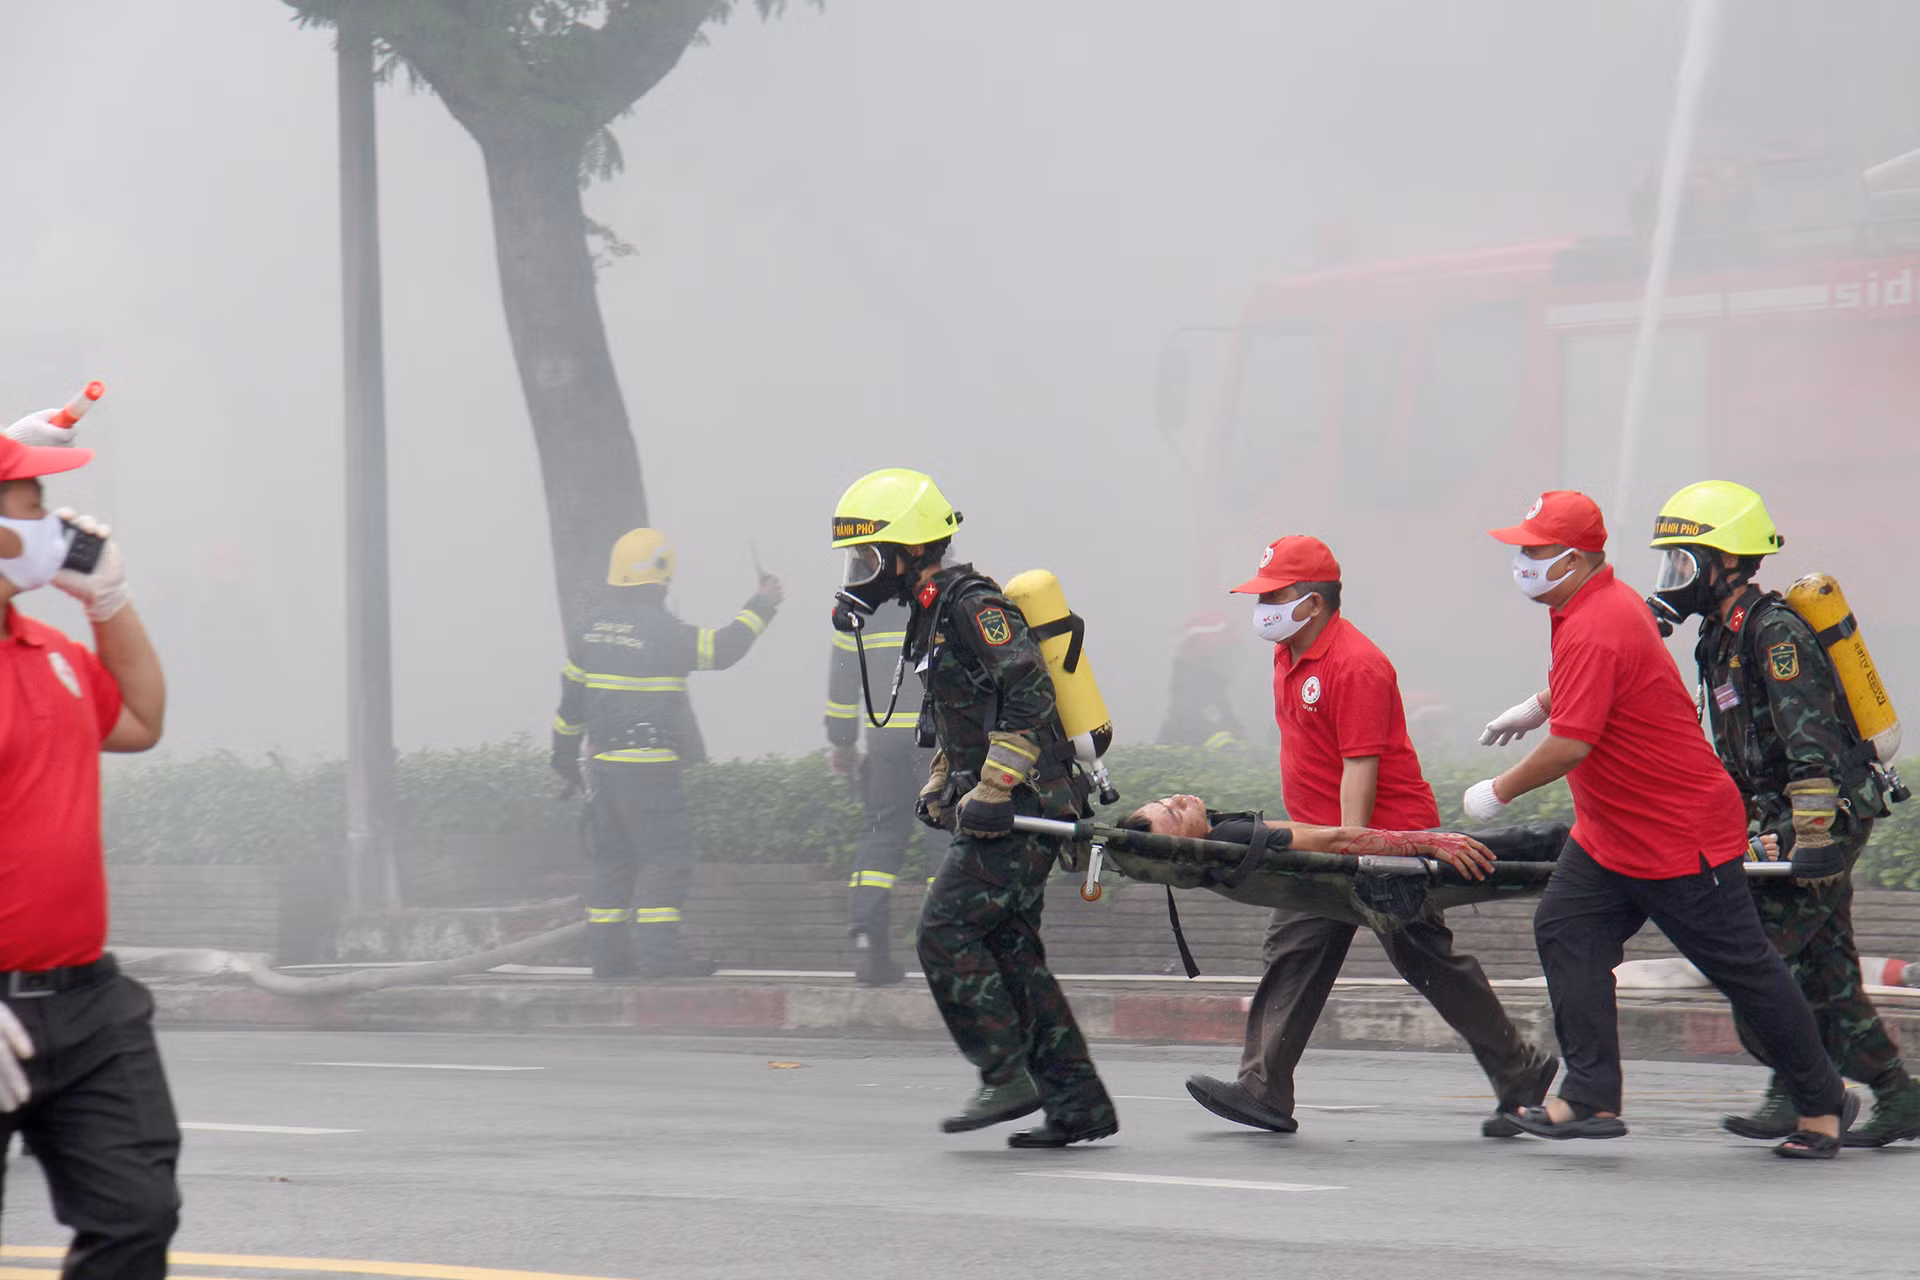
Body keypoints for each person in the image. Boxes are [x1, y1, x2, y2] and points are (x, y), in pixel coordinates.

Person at [1466, 489, 1857, 1158]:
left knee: (1745, 970)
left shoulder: (1597, 619)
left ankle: (1824, 1104)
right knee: (1565, 930)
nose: (1523, 563)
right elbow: (1592, 680)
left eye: (1534, 552)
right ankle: (1590, 1093)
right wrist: (1536, 703)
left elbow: (1573, 745)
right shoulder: (1591, 609)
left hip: (1678, 835)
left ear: (1576, 558)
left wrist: (1496, 792)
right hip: (1612, 834)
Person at [1186, 536, 1554, 1137]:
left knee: (1425, 958)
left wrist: (1352, 849)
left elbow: (1361, 766)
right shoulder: (1289, 653)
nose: (1262, 608)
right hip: (1320, 840)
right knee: (1296, 951)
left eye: (1272, 595)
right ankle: (1263, 1089)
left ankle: (1521, 1071)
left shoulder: (1356, 665)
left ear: (1311, 601)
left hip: (1383, 841)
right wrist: (1315, 842)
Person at [828, 467, 1115, 1148]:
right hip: (1005, 804)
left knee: (942, 932)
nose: (859, 572)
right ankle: (1079, 1105)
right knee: (1013, 955)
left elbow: (1028, 693)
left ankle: (1004, 1074)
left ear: (910, 549)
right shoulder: (930, 609)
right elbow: (960, 713)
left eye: (867, 557)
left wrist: (990, 789)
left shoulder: (969, 602)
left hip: (1021, 806)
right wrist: (942, 782)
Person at [1648, 481, 1920, 1147]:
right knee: (1824, 970)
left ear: (1727, 563)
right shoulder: (1718, 637)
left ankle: (1806, 1093)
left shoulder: (1776, 635)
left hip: (1817, 820)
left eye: (1684, 565)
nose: (1675, 580)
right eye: (1671, 566)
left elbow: (1812, 747)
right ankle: (1896, 1096)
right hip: (1779, 823)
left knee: (1754, 964)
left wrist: (1814, 836)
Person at [0, 420, 180, 1275]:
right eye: (28, 506)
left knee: (137, 1213)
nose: (51, 524)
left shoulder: (50, 651)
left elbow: (140, 722)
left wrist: (109, 604)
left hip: (86, 1004)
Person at [551, 528, 781, 979]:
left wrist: (563, 763)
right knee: (666, 857)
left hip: (604, 772)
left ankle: (610, 959)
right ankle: (659, 958)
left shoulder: (589, 631)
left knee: (613, 861)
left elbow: (570, 709)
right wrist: (762, 604)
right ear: (660, 577)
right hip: (649, 770)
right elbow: (724, 649)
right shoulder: (663, 631)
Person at [824, 596, 933, 986]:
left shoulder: (858, 608)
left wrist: (842, 742)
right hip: (933, 738)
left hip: (883, 742)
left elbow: (842, 682)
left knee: (879, 838)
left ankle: (870, 946)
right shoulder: (945, 593)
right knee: (944, 834)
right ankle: (951, 946)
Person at [1155, 610, 1245, 748]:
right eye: (1225, 650)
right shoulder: (1194, 699)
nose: (1230, 660)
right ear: (1207, 657)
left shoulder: (1214, 695)